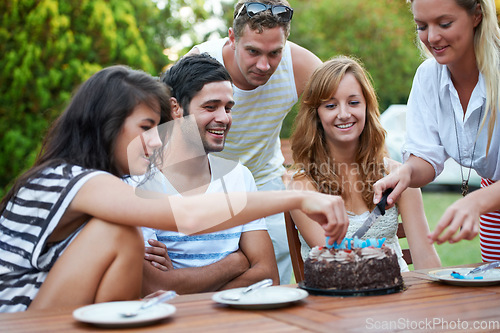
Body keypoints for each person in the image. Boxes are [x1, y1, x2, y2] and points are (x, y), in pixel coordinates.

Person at [0, 65, 349, 313]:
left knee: (122, 235)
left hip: (49, 312)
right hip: (21, 321)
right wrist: (300, 196)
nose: (155, 141)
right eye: (146, 127)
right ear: (107, 123)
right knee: (119, 233)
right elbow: (187, 215)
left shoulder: (92, 181)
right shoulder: (75, 179)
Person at [186, 0, 323, 284]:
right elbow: (165, 131)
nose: (264, 65)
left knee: (280, 258)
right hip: (205, 185)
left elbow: (346, 110)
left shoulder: (300, 66)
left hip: (264, 181)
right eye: (252, 51)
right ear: (232, 38)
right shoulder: (199, 64)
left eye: (275, 53)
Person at [136, 54, 279, 295]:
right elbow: (154, 287)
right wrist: (236, 263)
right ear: (176, 108)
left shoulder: (239, 177)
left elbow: (267, 274)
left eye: (228, 108)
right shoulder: (141, 184)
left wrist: (183, 284)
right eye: (210, 107)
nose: (223, 118)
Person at [373, 0, 500, 261]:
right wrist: (407, 172)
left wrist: (478, 201)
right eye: (421, 26)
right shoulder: (428, 77)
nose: (432, 38)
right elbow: (426, 157)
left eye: (444, 24)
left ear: (477, 14)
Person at [288, 56, 441, 271]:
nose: (344, 114)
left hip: (401, 294)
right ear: (316, 115)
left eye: (353, 102)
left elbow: (426, 259)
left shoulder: (399, 174)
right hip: (338, 299)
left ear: (367, 107)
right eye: (331, 105)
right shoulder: (302, 184)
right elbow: (338, 264)